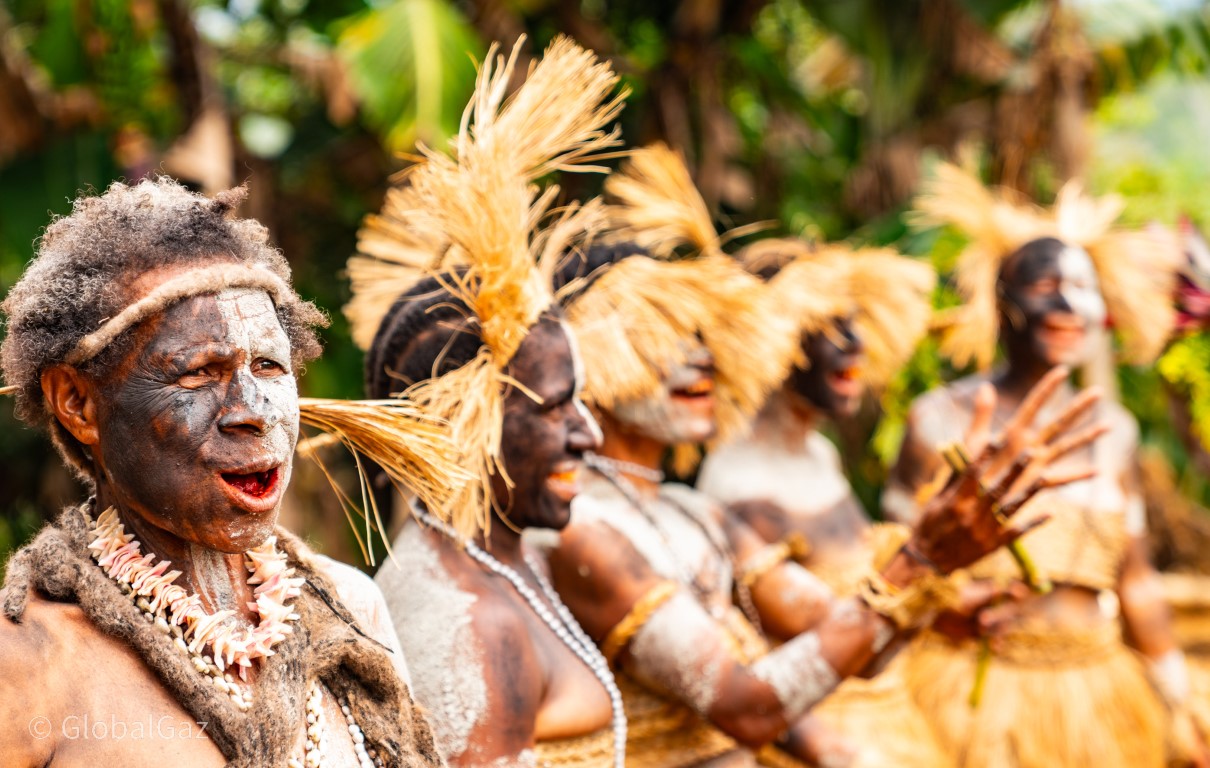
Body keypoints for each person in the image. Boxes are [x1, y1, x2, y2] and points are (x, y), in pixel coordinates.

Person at [543, 145, 1108, 768]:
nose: (699, 357)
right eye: (661, 337)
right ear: (589, 358)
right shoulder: (584, 531)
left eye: (700, 334)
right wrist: (918, 562)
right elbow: (746, 704)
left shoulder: (692, 512)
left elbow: (844, 635)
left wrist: (932, 601)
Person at [0, 178, 450, 766]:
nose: (252, 412)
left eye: (269, 367)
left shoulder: (349, 608)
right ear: (78, 403)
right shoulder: (29, 661)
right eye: (199, 373)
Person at [353, 37, 631, 767]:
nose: (590, 433)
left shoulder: (506, 561)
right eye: (553, 408)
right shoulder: (468, 618)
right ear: (465, 421)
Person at [884, 162, 1205, 768]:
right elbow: (896, 558)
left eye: (1082, 288)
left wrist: (1178, 697)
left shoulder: (1115, 433)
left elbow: (1133, 578)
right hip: (970, 696)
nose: (1066, 303)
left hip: (1095, 699)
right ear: (1002, 304)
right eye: (1043, 286)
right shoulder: (939, 421)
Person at [697, 237, 952, 767]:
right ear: (775, 337)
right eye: (828, 327)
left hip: (888, 718)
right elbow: (752, 656)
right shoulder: (738, 482)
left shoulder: (819, 454)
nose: (854, 342)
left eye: (853, 321)